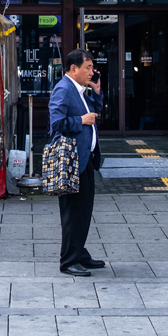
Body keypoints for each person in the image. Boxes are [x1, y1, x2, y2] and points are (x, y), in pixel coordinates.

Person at [49, 48, 104, 277]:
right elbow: (56, 123)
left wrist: (97, 92)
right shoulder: (64, 89)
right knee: (73, 212)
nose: (92, 72)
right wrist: (81, 120)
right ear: (73, 69)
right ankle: (69, 260)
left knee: (84, 210)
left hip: (84, 159)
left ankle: (79, 253)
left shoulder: (80, 90)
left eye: (92, 68)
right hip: (71, 160)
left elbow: (95, 113)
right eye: (88, 68)